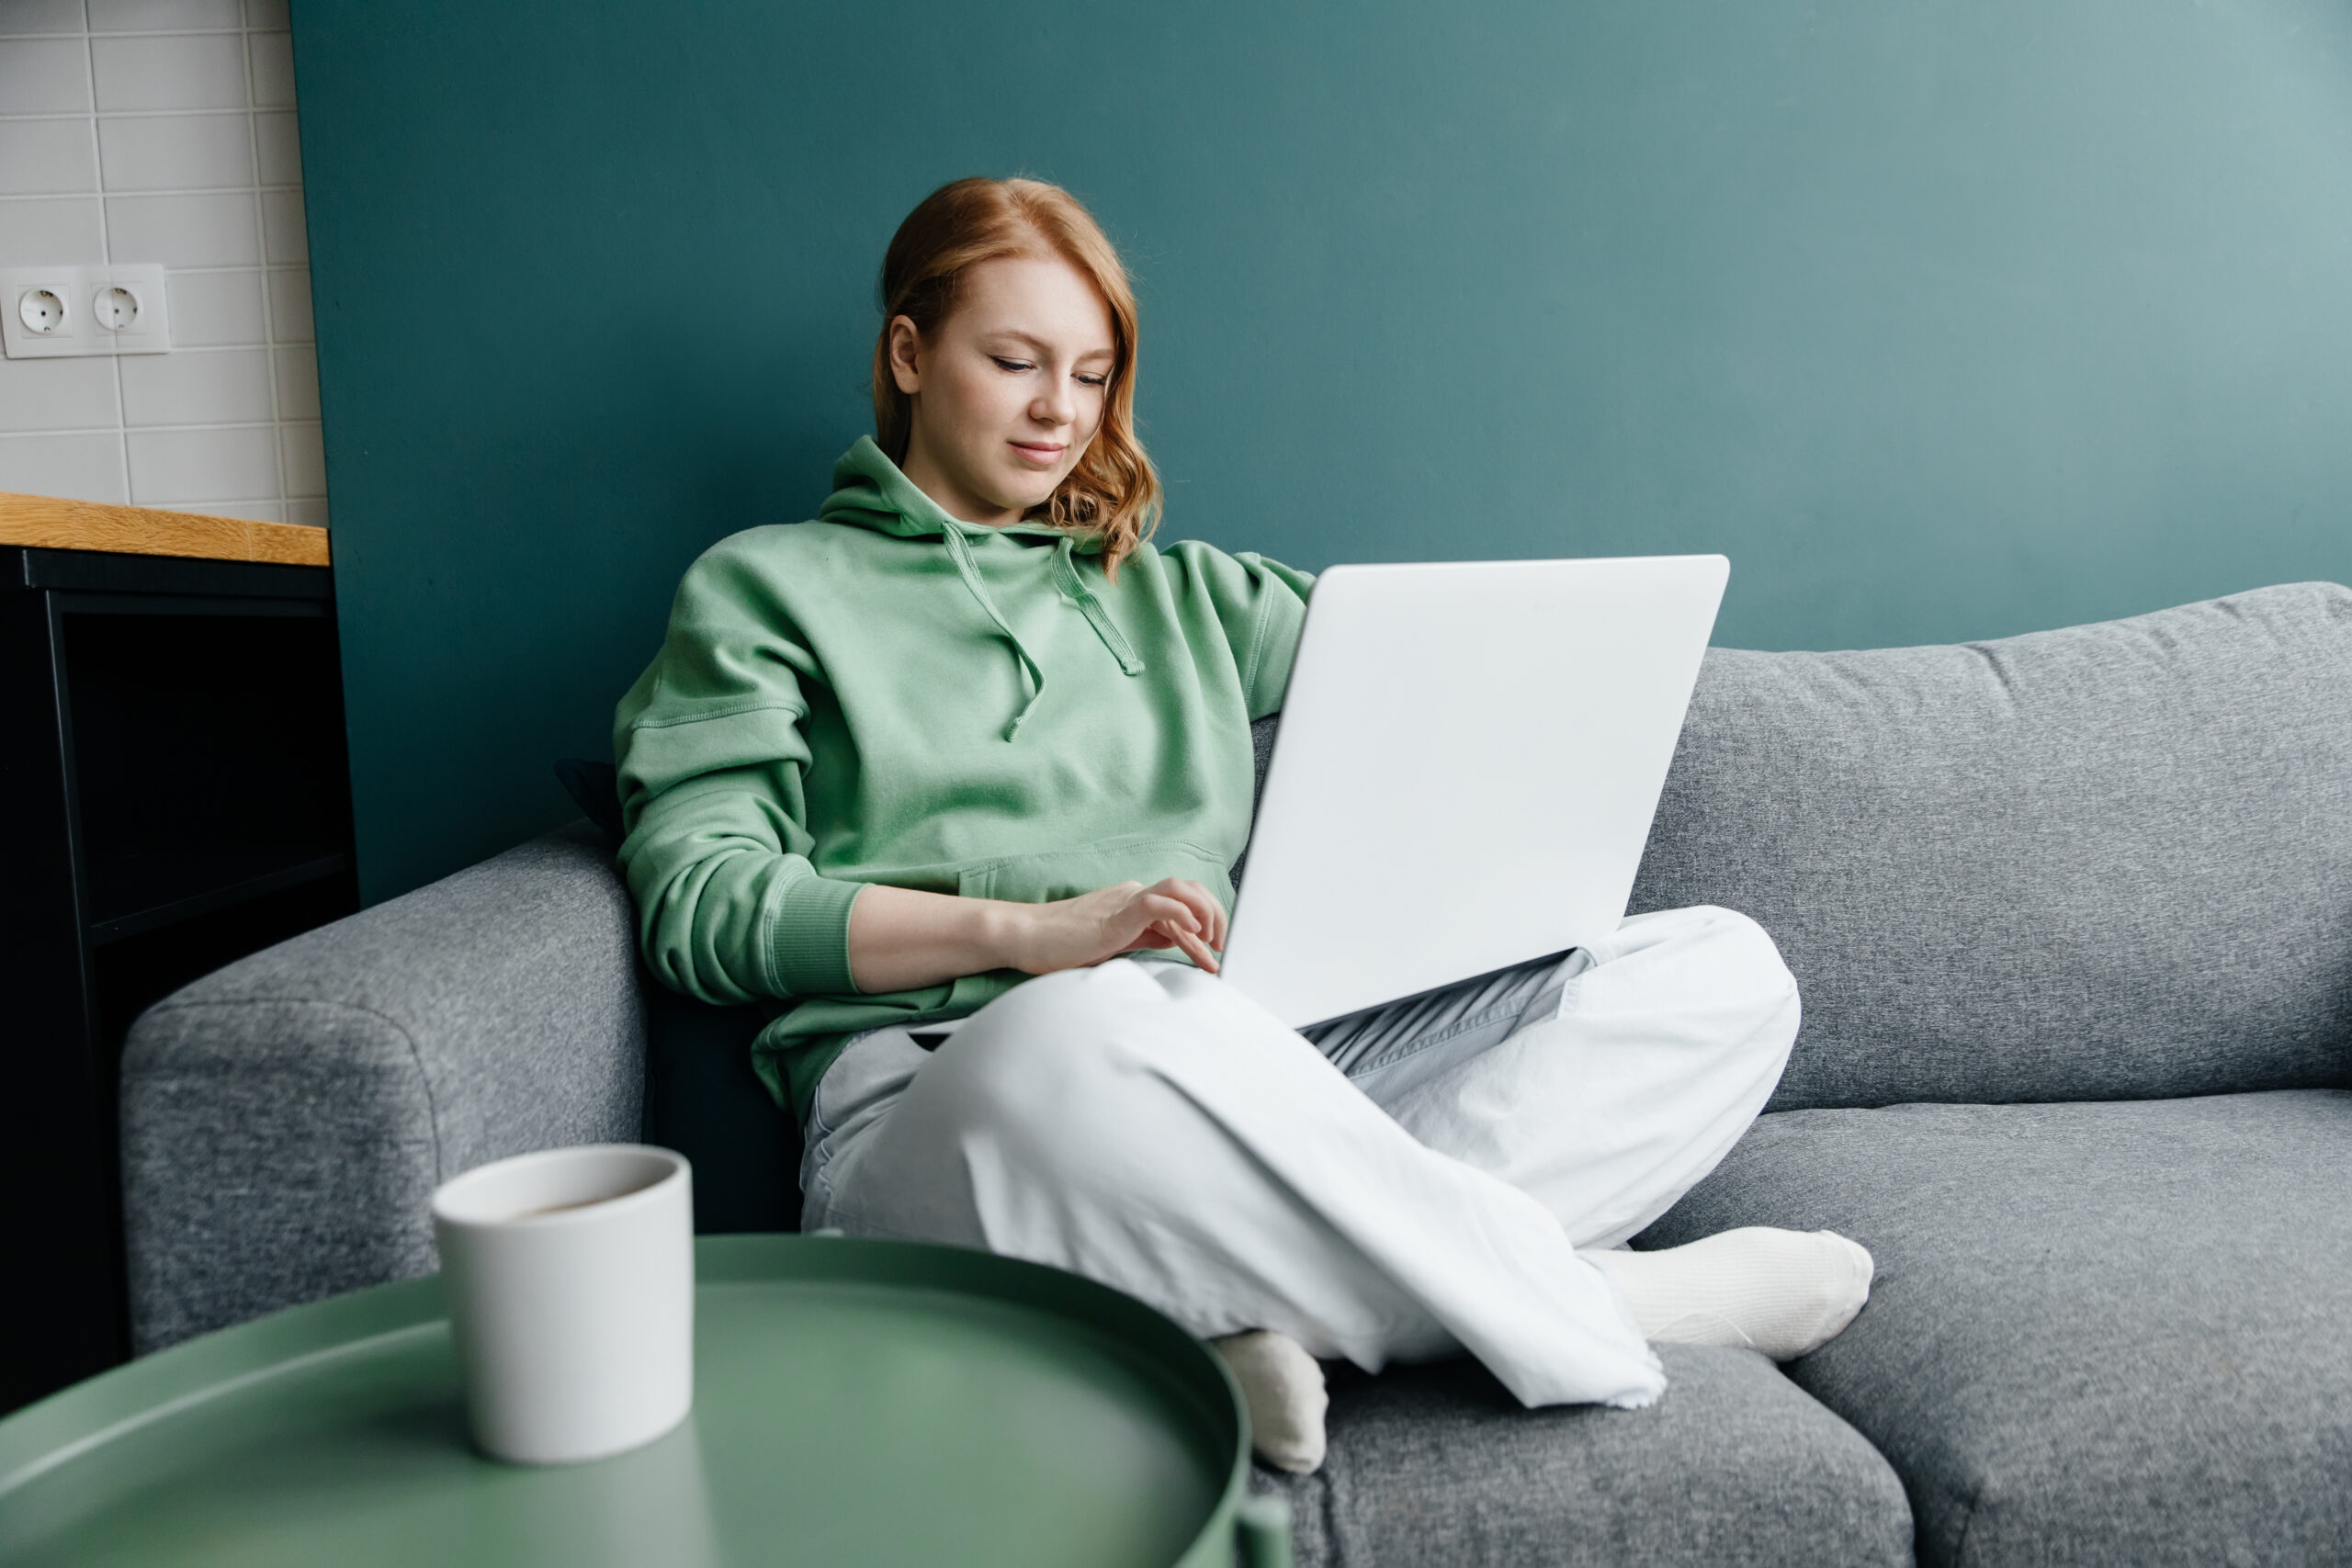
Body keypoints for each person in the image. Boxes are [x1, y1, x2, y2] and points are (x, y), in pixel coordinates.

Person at [614, 176, 1871, 1473]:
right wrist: (1037, 936)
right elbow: (704, 907)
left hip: (1247, 1060)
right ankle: (1607, 1304)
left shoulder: (1182, 597)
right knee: (1092, 1020)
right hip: (953, 1091)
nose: (1060, 411)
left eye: (1093, 377)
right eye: (1016, 362)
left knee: (1722, 973)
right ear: (910, 353)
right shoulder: (763, 590)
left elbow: (1434, 664)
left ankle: (1243, 1317)